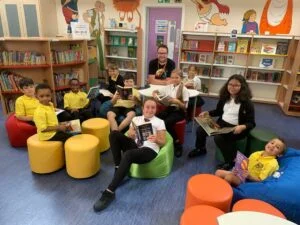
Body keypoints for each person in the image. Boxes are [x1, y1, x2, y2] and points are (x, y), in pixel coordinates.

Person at [93, 98, 166, 212]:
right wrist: (131, 134)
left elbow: (163, 142)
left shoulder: (159, 122)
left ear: (156, 110)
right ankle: (118, 167)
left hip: (149, 149)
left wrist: (157, 139)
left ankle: (109, 192)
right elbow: (131, 134)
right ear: (143, 108)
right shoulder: (136, 119)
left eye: (153, 107)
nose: (150, 110)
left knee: (128, 155)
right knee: (114, 134)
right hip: (136, 145)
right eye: (147, 107)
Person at [188, 74, 255, 170]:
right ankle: (201, 149)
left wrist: (242, 127)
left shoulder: (247, 103)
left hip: (236, 128)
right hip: (222, 124)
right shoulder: (225, 97)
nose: (232, 87)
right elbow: (219, 111)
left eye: (236, 85)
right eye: (230, 84)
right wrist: (208, 113)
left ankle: (230, 161)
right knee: (200, 130)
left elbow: (251, 123)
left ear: (242, 87)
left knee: (219, 138)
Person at [215, 138, 286, 186]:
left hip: (250, 181)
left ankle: (222, 193)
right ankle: (216, 187)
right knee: (218, 172)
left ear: (279, 154)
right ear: (267, 143)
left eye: (277, 147)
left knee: (229, 177)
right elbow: (246, 163)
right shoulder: (257, 153)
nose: (273, 146)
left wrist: (249, 177)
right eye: (272, 143)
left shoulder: (272, 163)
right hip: (242, 174)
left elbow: (262, 180)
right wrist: (238, 165)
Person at [153, 69, 189, 157]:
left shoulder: (184, 89)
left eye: (177, 77)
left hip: (179, 111)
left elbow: (185, 106)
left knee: (167, 123)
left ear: (181, 78)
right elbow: (157, 91)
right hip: (169, 109)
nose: (174, 79)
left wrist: (177, 101)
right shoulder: (169, 86)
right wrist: (155, 94)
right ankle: (159, 140)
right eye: (172, 77)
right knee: (156, 118)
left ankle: (177, 144)